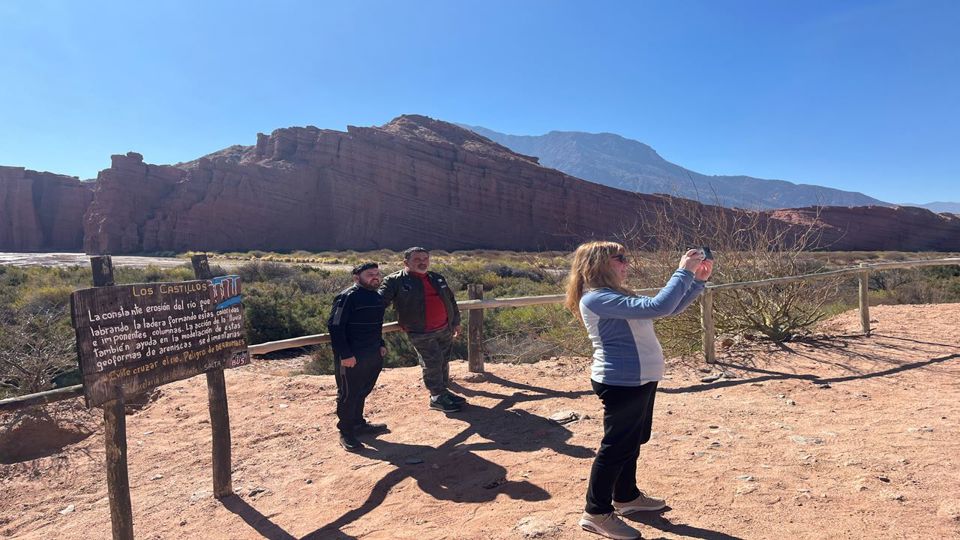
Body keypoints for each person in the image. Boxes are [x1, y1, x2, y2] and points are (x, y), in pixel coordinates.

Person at [564, 242, 713, 540]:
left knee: (633, 440)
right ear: (598, 264)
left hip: (639, 379)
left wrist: (697, 281)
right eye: (620, 258)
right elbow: (659, 306)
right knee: (616, 446)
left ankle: (626, 496)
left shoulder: (617, 296)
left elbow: (669, 308)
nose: (626, 263)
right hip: (622, 382)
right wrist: (683, 271)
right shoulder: (597, 298)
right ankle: (595, 513)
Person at [379, 247, 465, 413]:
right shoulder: (394, 281)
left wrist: (455, 322)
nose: (422, 262)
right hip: (420, 331)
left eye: (425, 259)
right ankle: (436, 397)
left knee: (443, 361)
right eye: (417, 259)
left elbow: (450, 300)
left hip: (444, 328)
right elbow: (380, 303)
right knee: (432, 363)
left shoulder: (436, 278)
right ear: (406, 262)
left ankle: (443, 392)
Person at [328, 262, 389, 452]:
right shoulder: (347, 297)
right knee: (348, 394)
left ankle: (358, 424)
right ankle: (346, 432)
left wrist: (381, 344)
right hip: (352, 356)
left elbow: (376, 325)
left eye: (377, 273)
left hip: (372, 353)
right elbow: (335, 326)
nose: (375, 277)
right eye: (370, 274)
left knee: (363, 390)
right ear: (357, 278)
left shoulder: (376, 297)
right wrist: (346, 354)